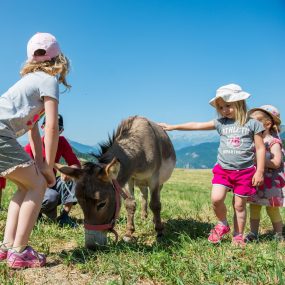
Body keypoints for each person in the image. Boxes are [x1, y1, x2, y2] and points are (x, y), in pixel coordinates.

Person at [158, 83, 265, 246]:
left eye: (228, 106)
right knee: (216, 199)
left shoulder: (253, 124)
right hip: (223, 170)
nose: (224, 110)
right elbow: (197, 125)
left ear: (240, 103)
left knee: (239, 206)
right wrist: (173, 126)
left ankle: (238, 236)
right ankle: (223, 223)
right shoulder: (221, 123)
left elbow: (260, 148)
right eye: (220, 107)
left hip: (244, 172)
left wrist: (260, 172)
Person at [0, 32, 71, 268]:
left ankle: (8, 246)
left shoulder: (28, 81)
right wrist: (47, 167)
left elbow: (33, 130)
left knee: (24, 185)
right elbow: (50, 127)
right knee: (38, 184)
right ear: (58, 58)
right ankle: (20, 251)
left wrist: (42, 162)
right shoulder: (48, 80)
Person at [24, 114, 81, 227]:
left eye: (58, 128)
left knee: (75, 178)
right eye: (50, 127)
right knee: (52, 197)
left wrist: (68, 171)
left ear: (61, 130)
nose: (54, 131)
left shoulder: (62, 142)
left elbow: (76, 165)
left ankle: (64, 216)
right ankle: (36, 213)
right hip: (35, 187)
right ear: (43, 127)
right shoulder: (32, 146)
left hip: (53, 183)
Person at [246, 105, 285, 242]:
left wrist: (258, 159)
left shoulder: (274, 142)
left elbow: (276, 163)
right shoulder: (253, 141)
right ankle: (253, 233)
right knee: (254, 206)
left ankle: (279, 234)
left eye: (255, 122)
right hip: (257, 181)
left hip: (271, 182)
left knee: (272, 209)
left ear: (267, 124)